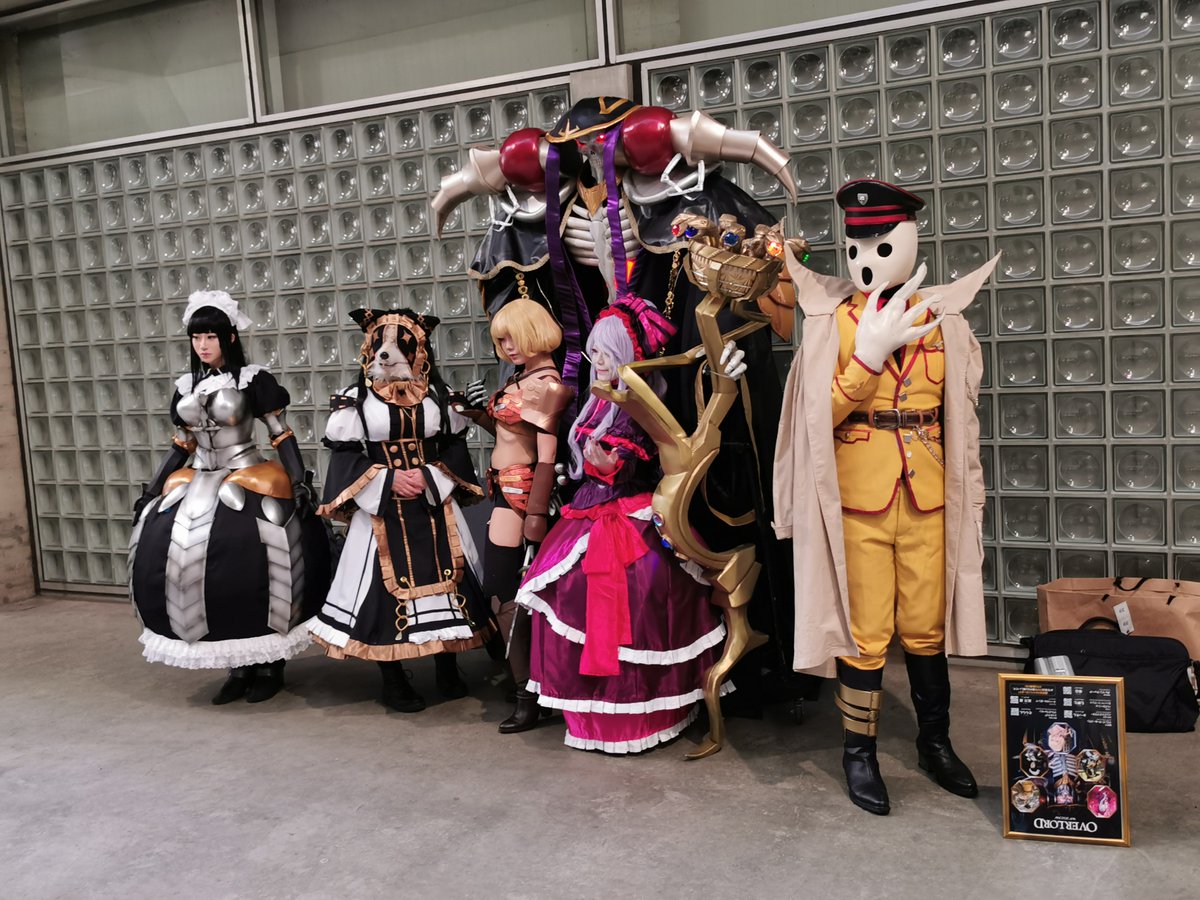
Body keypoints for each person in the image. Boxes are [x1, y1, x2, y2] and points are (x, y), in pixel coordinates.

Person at [774, 180, 999, 814]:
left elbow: (962, 421)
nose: (866, 258)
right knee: (865, 633)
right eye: (856, 245)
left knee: (927, 630)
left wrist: (973, 499)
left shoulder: (945, 323)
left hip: (928, 497)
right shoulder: (831, 325)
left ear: (909, 241)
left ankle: (936, 742)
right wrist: (867, 359)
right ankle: (860, 753)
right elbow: (812, 418)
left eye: (880, 242)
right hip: (858, 500)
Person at [514, 296, 736, 753]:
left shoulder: (641, 401)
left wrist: (612, 465)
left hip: (630, 509)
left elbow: (647, 454)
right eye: (594, 351)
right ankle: (593, 712)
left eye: (607, 352)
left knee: (639, 596)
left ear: (627, 356)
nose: (597, 360)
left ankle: (644, 710)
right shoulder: (597, 400)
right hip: (587, 510)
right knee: (571, 593)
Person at [129, 290, 328, 704]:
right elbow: (182, 444)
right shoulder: (187, 385)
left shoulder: (253, 379)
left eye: (211, 337)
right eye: (196, 337)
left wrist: (299, 479)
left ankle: (270, 664)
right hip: (199, 476)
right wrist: (151, 489)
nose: (202, 345)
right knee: (203, 570)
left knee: (255, 563)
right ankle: (237, 666)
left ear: (230, 338)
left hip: (247, 472)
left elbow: (280, 433)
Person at [309, 308, 488, 713]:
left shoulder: (438, 395)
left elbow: (453, 446)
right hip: (381, 510)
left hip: (432, 502)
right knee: (379, 593)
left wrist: (429, 475)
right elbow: (345, 454)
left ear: (418, 350)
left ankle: (448, 666)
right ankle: (393, 679)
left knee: (450, 584)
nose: (387, 354)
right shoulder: (356, 399)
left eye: (399, 345)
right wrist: (387, 480)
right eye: (381, 345)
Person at [454, 299, 573, 733]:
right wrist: (477, 414)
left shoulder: (546, 384)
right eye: (501, 340)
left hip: (520, 495)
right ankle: (530, 687)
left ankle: (528, 694)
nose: (507, 347)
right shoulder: (522, 378)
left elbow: (547, 456)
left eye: (513, 337)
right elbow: (509, 433)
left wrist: (537, 512)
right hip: (505, 489)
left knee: (503, 593)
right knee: (506, 594)